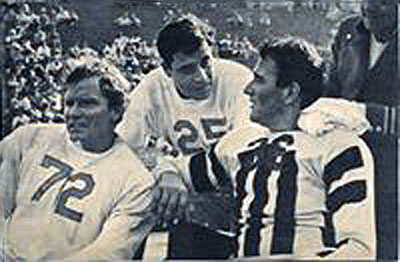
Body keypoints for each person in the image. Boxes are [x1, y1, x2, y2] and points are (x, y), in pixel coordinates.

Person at [197, 37, 376, 259]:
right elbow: (184, 174)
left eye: (259, 80)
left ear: (290, 92)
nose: (247, 89)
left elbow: (359, 251)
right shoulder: (238, 142)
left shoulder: (338, 146)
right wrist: (169, 175)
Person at [118, 15, 254, 259]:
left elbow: (244, 146)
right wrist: (163, 171)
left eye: (205, 62)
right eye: (187, 69)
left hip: (238, 189)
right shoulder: (151, 88)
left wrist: (174, 171)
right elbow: (124, 151)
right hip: (192, 200)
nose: (201, 76)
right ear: (167, 70)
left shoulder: (237, 78)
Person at [0, 60, 157, 260]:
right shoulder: (28, 139)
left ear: (115, 111)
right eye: (69, 103)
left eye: (87, 103)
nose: (73, 113)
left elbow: (108, 253)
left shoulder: (136, 181)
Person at [327, 0, 398, 258]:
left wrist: (366, 114)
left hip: (392, 168)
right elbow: (331, 89)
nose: (370, 8)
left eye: (383, 2)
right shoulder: (349, 32)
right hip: (347, 159)